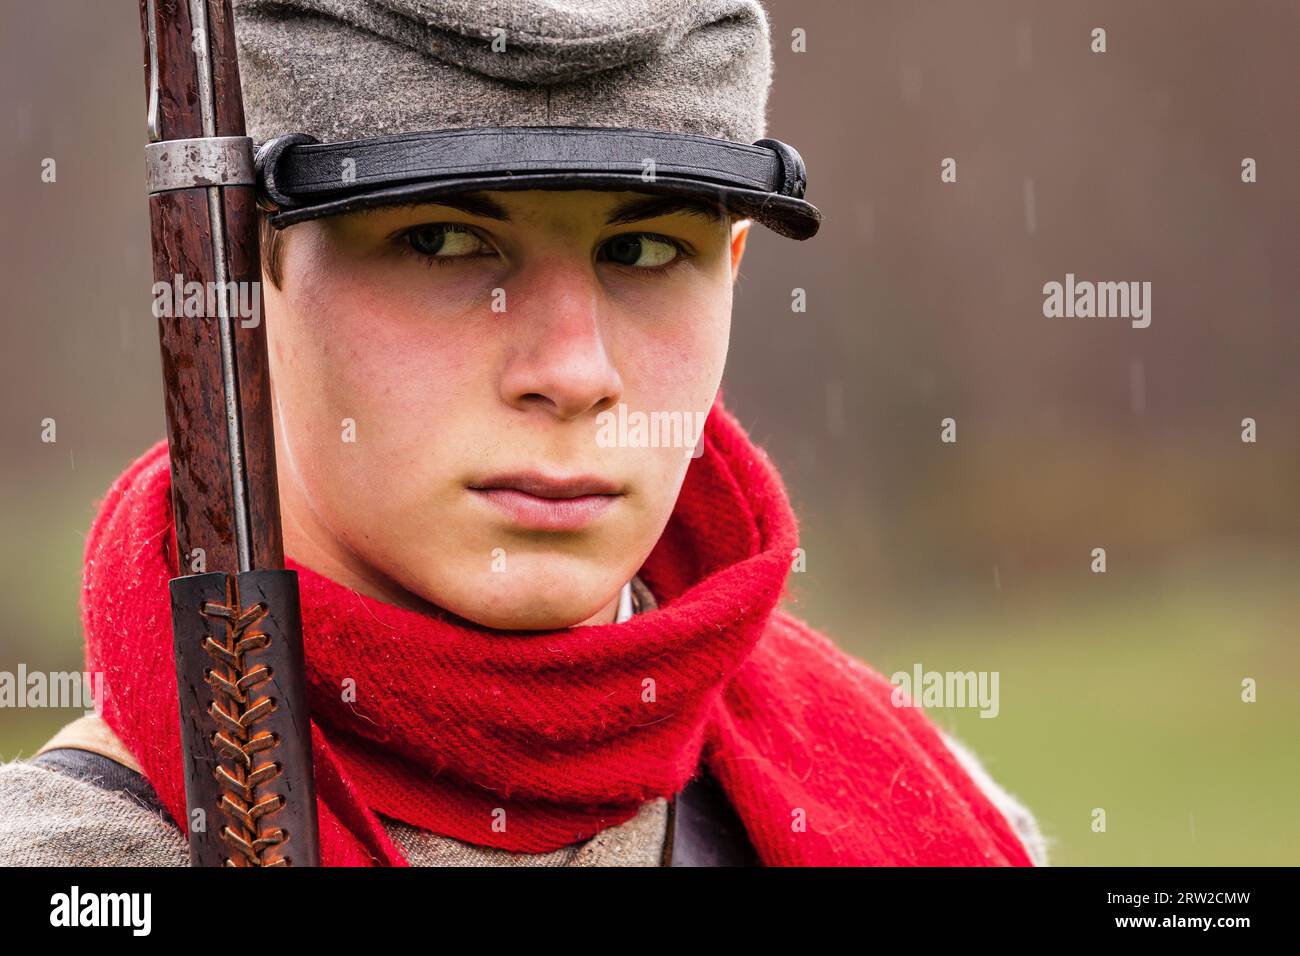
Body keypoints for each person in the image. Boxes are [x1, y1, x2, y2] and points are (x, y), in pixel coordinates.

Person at [0, 0, 1047, 867]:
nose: (573, 373)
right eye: (446, 239)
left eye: (640, 250)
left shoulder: (946, 810)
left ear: (733, 265)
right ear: (248, 267)